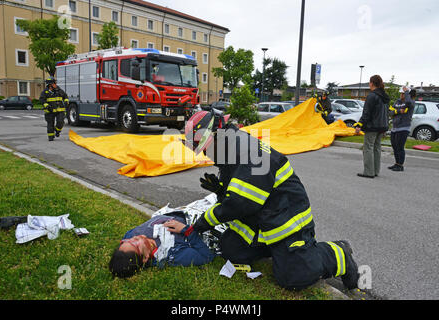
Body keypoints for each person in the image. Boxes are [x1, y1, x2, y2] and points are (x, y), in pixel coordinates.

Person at [183, 110, 360, 291]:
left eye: (205, 149)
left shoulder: (245, 151)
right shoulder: (231, 148)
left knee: (293, 277)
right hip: (263, 217)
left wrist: (201, 223)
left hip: (286, 219)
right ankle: (275, 250)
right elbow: (241, 196)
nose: (206, 155)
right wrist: (221, 190)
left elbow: (239, 203)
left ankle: (338, 252)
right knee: (231, 250)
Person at [109, 211, 215, 278]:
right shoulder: (171, 253)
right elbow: (206, 256)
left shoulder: (130, 236)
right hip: (203, 215)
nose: (133, 238)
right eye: (134, 244)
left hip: (179, 210)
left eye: (125, 242)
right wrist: (187, 231)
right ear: (145, 257)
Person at [354, 75, 390, 178]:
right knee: (377, 148)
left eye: (369, 82)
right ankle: (375, 171)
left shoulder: (372, 96)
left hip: (372, 126)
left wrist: (359, 125)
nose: (369, 84)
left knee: (368, 148)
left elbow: (367, 113)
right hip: (382, 126)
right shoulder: (384, 96)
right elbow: (386, 112)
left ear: (372, 83)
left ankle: (369, 172)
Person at [388, 87, 416, 172]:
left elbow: (408, 102)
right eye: (401, 93)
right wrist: (398, 111)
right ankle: (396, 163)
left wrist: (407, 92)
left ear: (408, 95)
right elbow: (390, 112)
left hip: (404, 128)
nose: (401, 95)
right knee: (395, 146)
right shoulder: (397, 102)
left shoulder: (410, 102)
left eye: (403, 94)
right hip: (395, 128)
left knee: (400, 147)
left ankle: (400, 165)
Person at [39, 77, 69, 141]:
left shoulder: (59, 90)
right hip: (50, 111)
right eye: (54, 83)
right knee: (50, 124)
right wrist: (46, 105)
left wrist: (66, 101)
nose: (55, 84)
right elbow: (42, 100)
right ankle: (51, 136)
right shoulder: (45, 92)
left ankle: (57, 131)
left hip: (60, 110)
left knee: (60, 122)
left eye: (55, 83)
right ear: (50, 85)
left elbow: (65, 96)